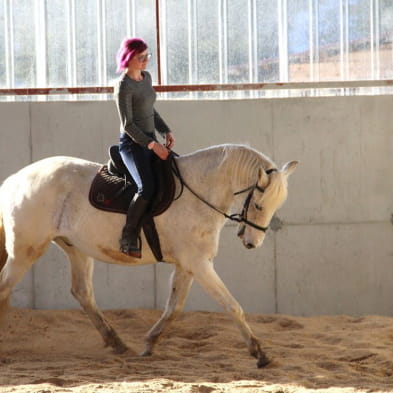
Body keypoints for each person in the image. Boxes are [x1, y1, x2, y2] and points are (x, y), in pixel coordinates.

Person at [114, 37, 175, 258]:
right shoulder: (123, 86)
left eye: (147, 56)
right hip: (132, 144)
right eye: (141, 57)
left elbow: (150, 111)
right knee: (146, 187)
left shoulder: (146, 78)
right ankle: (128, 236)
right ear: (128, 58)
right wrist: (152, 145)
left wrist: (165, 130)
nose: (146, 61)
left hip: (150, 139)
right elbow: (128, 124)